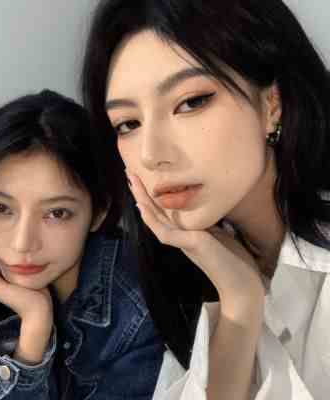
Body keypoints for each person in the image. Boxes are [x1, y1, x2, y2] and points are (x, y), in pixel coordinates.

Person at [81, 0, 330, 399]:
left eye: (191, 102)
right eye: (127, 124)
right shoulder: (183, 273)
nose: (150, 153)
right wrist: (239, 301)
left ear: (272, 104)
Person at [0, 90, 164, 400]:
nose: (22, 244)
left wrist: (33, 331)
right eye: (0, 208)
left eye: (57, 213)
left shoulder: (138, 314)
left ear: (99, 212)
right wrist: (34, 325)